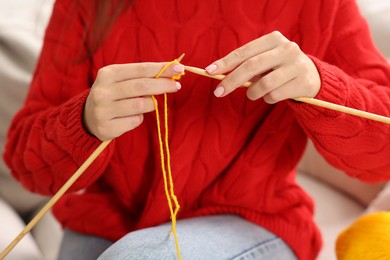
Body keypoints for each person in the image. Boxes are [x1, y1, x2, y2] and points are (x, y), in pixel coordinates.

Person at [3, 0, 390, 259]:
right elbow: (27, 168)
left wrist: (320, 83)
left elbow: (383, 155)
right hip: (104, 223)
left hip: (252, 222)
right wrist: (84, 120)